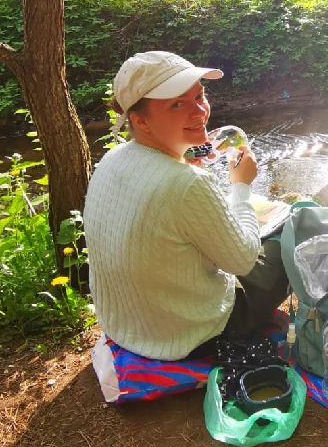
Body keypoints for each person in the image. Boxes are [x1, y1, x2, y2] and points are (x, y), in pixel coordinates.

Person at [83, 50, 289, 361]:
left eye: (199, 95)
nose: (199, 112)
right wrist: (241, 185)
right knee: (291, 237)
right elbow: (244, 261)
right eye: (177, 104)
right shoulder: (187, 183)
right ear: (140, 120)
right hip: (190, 334)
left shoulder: (112, 159)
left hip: (125, 325)